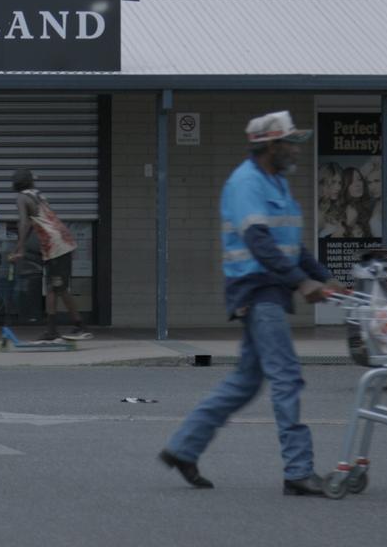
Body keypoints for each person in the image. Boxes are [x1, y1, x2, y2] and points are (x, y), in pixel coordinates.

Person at [159, 111, 334, 496]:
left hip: (271, 290)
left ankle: (182, 448)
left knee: (244, 382)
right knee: (286, 376)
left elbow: (292, 246)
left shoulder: (277, 182)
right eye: (289, 143)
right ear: (270, 145)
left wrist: (325, 278)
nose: (295, 150)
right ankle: (298, 471)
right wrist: (302, 282)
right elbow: (259, 243)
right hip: (257, 291)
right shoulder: (246, 183)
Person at [7, 169, 92, 342]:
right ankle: (68, 327)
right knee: (57, 288)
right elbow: (32, 222)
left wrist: (20, 249)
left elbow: (24, 222)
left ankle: (68, 328)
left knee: (55, 288)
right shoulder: (36, 194)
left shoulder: (22, 198)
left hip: (55, 245)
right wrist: (18, 248)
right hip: (59, 242)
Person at [316, 162, 345, 238]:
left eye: (340, 183)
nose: (338, 188)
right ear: (323, 183)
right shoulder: (318, 213)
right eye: (333, 182)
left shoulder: (335, 205)